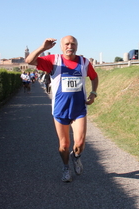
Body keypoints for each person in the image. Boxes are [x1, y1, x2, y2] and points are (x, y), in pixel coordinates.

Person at [26, 35, 99, 182]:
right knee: (64, 145)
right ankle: (66, 167)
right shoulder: (54, 60)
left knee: (80, 143)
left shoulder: (84, 62)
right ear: (61, 46)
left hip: (79, 110)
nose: (69, 46)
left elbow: (94, 76)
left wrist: (93, 93)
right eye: (66, 44)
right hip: (60, 110)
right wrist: (43, 48)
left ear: (77, 46)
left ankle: (76, 157)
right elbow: (29, 61)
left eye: (73, 44)